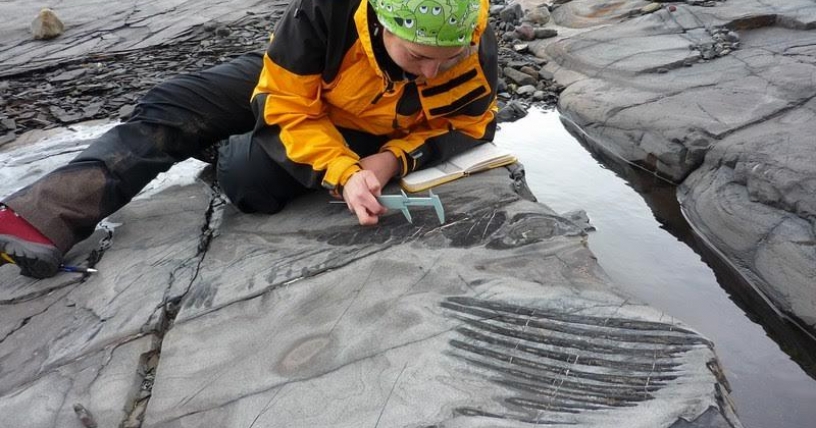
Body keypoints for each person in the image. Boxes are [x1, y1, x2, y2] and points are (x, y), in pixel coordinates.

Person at [0, 0, 498, 279]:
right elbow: (285, 101)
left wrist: (388, 161)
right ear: (382, 22)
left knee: (249, 182)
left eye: (447, 60)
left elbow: (472, 126)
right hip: (292, 90)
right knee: (175, 104)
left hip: (365, 126)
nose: (433, 71)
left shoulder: (473, 43)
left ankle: (228, 152)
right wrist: (344, 171)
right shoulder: (326, 11)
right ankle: (42, 215)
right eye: (417, 57)